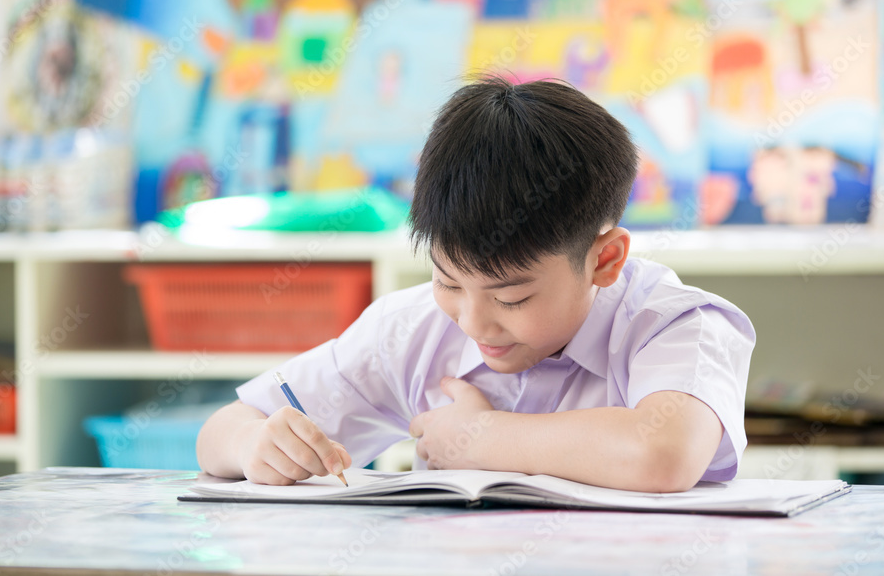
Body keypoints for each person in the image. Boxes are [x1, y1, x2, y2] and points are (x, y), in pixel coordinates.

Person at [196, 76, 755, 493]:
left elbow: (663, 453)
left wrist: (480, 437)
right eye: (447, 280)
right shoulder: (411, 329)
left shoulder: (678, 325)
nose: (473, 322)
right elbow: (223, 431)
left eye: (512, 297)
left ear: (605, 260)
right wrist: (254, 445)